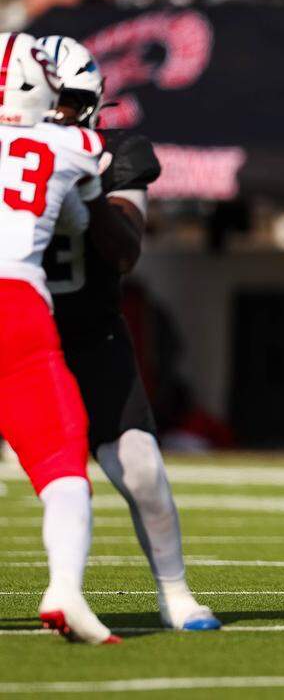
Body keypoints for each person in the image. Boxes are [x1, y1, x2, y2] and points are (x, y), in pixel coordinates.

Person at [38, 36, 220, 633]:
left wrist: (83, 196)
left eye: (73, 102)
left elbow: (125, 252)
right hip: (19, 329)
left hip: (89, 334)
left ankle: (175, 592)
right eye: (58, 101)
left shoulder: (115, 152)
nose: (65, 114)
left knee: (140, 468)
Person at [0, 32, 114, 643]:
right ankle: (64, 590)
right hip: (14, 304)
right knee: (62, 464)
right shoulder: (74, 144)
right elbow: (77, 218)